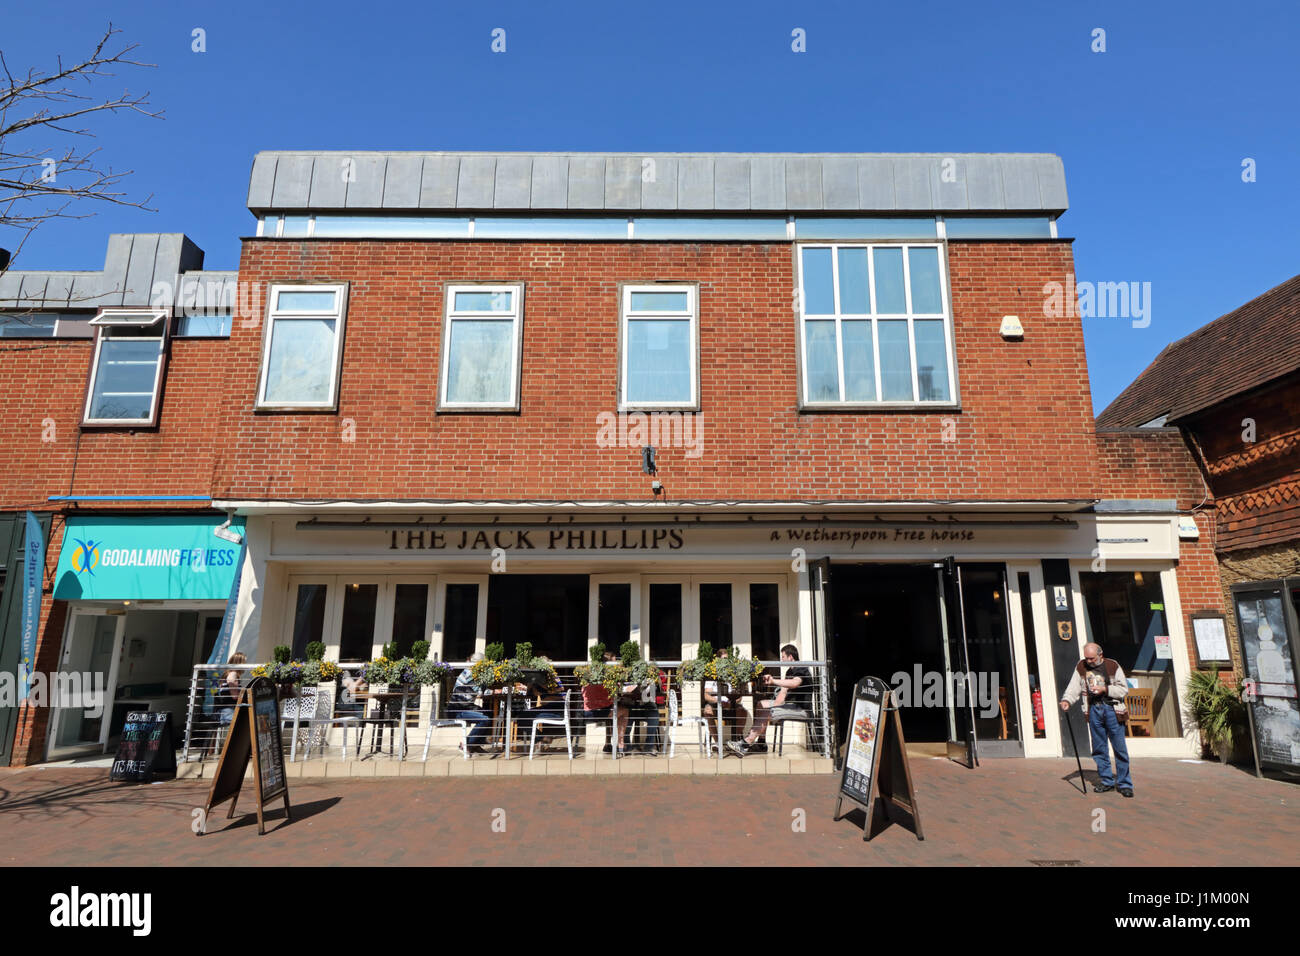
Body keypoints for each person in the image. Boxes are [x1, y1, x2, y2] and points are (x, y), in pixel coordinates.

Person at [1060, 642, 1134, 797]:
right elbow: (1074, 686)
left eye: (1092, 658)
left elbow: (1123, 689)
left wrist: (1105, 689)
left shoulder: (1112, 665)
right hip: (1094, 709)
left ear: (1100, 655)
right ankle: (1107, 781)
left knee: (1119, 749)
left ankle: (1124, 784)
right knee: (1099, 748)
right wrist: (1067, 700)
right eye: (1086, 658)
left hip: (1112, 709)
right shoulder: (1081, 667)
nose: (1089, 661)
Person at [728, 644, 812, 756]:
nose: (781, 660)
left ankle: (745, 743)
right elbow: (783, 692)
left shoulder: (801, 668)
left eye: (783, 657)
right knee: (761, 704)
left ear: (790, 657)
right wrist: (775, 704)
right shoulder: (789, 672)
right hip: (790, 705)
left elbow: (795, 683)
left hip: (801, 709)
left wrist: (773, 681)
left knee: (767, 711)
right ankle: (761, 743)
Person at [703, 646, 749, 755]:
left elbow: (739, 696)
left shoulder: (733, 674)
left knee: (743, 712)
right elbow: (706, 695)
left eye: (727, 660)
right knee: (707, 711)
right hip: (716, 703)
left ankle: (735, 743)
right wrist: (718, 701)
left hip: (730, 704)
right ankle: (717, 742)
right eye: (723, 660)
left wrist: (732, 701)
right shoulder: (712, 674)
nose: (725, 662)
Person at [582, 650, 626, 755]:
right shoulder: (607, 678)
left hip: (586, 711)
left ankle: (608, 743)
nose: (615, 666)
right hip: (598, 711)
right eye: (613, 663)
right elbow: (614, 692)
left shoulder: (590, 675)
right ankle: (620, 743)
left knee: (610, 711)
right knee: (624, 711)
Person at [448, 653, 494, 754]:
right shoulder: (469, 673)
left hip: (466, 707)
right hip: (458, 709)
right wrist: (494, 691)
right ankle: (467, 744)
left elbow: (480, 691)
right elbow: (480, 693)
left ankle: (476, 745)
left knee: (489, 714)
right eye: (484, 665)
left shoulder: (475, 674)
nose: (485, 667)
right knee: (484, 719)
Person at [217, 652, 247, 727]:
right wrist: (237, 694)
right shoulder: (233, 673)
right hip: (229, 711)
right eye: (244, 663)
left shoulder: (227, 673)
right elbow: (231, 682)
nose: (245, 666)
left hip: (226, 711)